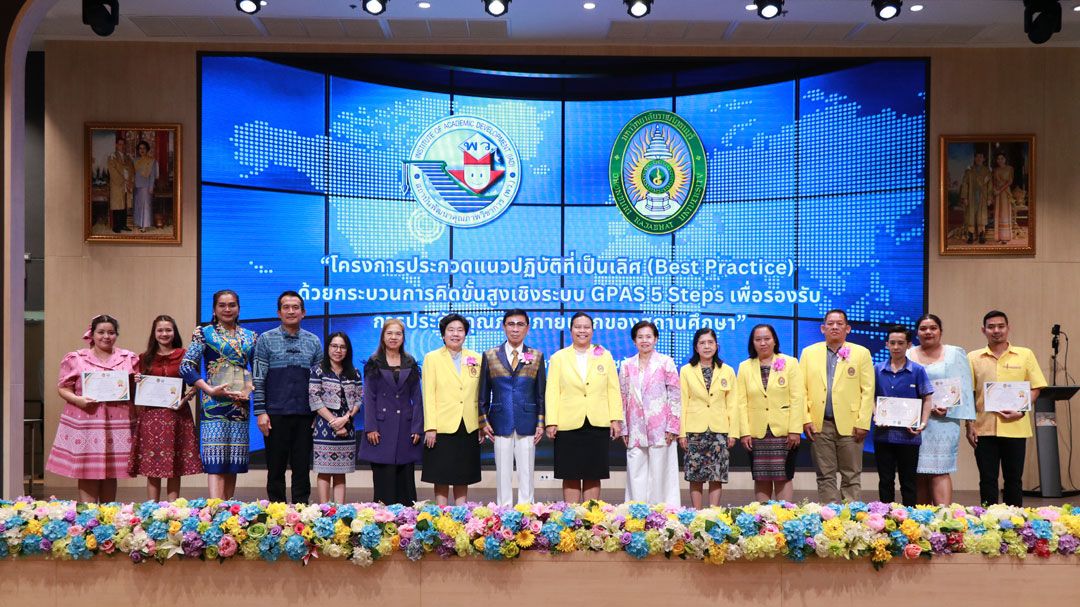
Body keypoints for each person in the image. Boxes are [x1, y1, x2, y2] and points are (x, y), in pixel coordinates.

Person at [46, 314, 139, 503]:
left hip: (117, 422)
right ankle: (88, 516)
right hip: (86, 420)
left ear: (116, 335)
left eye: (111, 332)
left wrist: (138, 381)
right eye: (101, 332)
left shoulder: (128, 358)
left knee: (111, 469)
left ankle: (108, 514)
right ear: (92, 334)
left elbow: (136, 390)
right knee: (87, 469)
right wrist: (77, 399)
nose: (106, 336)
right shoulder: (76, 358)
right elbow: (63, 387)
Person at [180, 289, 257, 499]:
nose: (227, 309)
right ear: (214, 309)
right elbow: (186, 366)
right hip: (213, 404)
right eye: (222, 305)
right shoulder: (204, 333)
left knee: (233, 462)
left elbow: (257, 370)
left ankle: (228, 510)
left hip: (240, 405)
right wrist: (208, 389)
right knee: (216, 461)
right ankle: (215, 509)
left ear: (239, 308)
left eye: (232, 305)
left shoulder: (250, 336)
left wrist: (248, 390)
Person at [968, 310, 1048, 506]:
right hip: (983, 428)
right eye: (991, 327)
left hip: (1016, 427)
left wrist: (1021, 410)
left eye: (1000, 326)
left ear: (1008, 328)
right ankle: (988, 519)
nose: (996, 330)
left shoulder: (1025, 354)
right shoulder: (973, 357)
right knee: (987, 479)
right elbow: (968, 393)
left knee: (1013, 479)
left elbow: (1036, 386)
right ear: (983, 330)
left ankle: (1014, 519)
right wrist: (969, 425)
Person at [545, 312, 623, 503]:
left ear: (592, 330)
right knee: (570, 472)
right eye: (578, 327)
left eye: (586, 327)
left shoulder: (604, 355)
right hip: (567, 422)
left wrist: (615, 419)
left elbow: (613, 388)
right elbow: (552, 391)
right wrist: (551, 421)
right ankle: (571, 515)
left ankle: (591, 516)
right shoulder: (558, 357)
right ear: (571, 330)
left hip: (597, 421)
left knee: (593, 472)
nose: (582, 331)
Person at [253, 291, 323, 504]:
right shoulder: (266, 339)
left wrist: (318, 413)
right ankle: (277, 511)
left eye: (295, 307)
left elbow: (319, 381)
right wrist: (260, 411)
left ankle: (302, 512)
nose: (291, 311)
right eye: (286, 307)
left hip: (305, 415)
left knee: (302, 468)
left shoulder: (313, 341)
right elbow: (258, 377)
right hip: (275, 414)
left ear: (303, 312)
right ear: (279, 312)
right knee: (275, 468)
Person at [800, 309, 875, 503]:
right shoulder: (809, 353)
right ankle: (830, 515)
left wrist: (863, 422)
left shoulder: (861, 353)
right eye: (830, 323)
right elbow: (801, 389)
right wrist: (805, 419)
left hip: (851, 424)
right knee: (825, 475)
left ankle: (851, 516)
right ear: (822, 328)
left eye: (839, 324)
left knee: (851, 474)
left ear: (847, 328)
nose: (835, 327)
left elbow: (868, 391)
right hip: (819, 423)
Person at [129, 315, 202, 500]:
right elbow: (135, 389)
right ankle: (152, 508)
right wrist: (136, 380)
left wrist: (185, 399)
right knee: (152, 466)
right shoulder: (144, 358)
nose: (164, 334)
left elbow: (196, 383)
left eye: (168, 330)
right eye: (160, 330)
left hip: (177, 415)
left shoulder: (185, 355)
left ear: (174, 332)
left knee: (174, 465)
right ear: (154, 333)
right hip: (150, 417)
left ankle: (173, 508)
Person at [478, 309, 546, 506]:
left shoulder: (536, 356)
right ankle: (503, 511)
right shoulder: (490, 355)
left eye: (520, 324)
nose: (515, 329)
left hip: (528, 421)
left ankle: (527, 512)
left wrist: (541, 423)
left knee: (527, 472)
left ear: (527, 328)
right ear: (504, 327)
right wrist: (483, 421)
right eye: (511, 324)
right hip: (500, 421)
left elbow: (541, 393)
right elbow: (483, 392)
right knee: (503, 472)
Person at [907, 313, 976, 505]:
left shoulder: (955, 353)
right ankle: (922, 517)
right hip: (916, 422)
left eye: (933, 328)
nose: (928, 332)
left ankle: (944, 517)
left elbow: (965, 389)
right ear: (917, 332)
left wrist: (968, 423)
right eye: (923, 328)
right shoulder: (908, 354)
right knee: (918, 472)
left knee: (940, 470)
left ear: (940, 331)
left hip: (944, 422)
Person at [735, 324, 805, 503]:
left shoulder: (790, 363)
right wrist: (744, 432)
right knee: (761, 477)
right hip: (757, 431)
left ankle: (783, 515)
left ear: (774, 341)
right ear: (752, 343)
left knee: (784, 475)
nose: (763, 343)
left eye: (767, 339)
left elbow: (798, 398)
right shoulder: (744, 367)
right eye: (758, 339)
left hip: (784, 431)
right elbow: (741, 403)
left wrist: (795, 429)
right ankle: (763, 516)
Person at [360, 319, 423, 505]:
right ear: (383, 337)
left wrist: (417, 427)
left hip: (406, 427)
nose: (393, 337)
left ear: (403, 337)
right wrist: (371, 427)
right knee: (384, 481)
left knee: (406, 482)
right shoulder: (374, 362)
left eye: (398, 333)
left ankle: (406, 520)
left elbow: (417, 397)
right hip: (381, 428)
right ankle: (383, 519)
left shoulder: (410, 362)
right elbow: (369, 397)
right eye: (389, 333)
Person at [422, 313, 483, 505]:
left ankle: (461, 512)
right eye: (451, 330)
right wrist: (430, 427)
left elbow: (480, 394)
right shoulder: (432, 358)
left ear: (465, 334)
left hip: (468, 424)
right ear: (443, 334)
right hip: (442, 425)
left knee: (463, 474)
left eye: (460, 330)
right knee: (441, 474)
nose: (455, 334)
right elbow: (428, 395)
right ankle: (442, 513)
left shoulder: (476, 358)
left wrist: (481, 424)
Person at [619, 320, 681, 506]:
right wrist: (624, 428)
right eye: (640, 337)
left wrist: (673, 426)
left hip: (661, 428)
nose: (644, 340)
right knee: (636, 473)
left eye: (648, 337)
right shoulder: (626, 365)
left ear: (655, 339)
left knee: (660, 475)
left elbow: (675, 395)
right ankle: (636, 513)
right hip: (635, 427)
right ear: (634, 340)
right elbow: (622, 397)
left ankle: (661, 514)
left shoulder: (666, 362)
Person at [873, 326, 933, 507]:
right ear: (886, 344)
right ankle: (885, 517)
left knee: (908, 482)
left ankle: (909, 519)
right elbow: (870, 398)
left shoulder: (918, 370)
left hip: (909, 436)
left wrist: (922, 423)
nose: (896, 347)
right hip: (883, 435)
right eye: (892, 343)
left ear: (908, 345)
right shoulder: (877, 369)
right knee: (885, 481)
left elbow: (927, 399)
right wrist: (876, 416)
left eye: (900, 343)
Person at [679, 328, 737, 508]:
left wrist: (733, 432)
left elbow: (732, 404)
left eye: (710, 342)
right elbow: (682, 402)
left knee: (716, 475)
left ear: (716, 346)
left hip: (719, 430)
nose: (706, 346)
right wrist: (681, 433)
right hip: (694, 430)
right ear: (696, 347)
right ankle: (697, 514)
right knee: (695, 476)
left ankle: (713, 513)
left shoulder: (727, 370)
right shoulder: (686, 371)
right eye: (702, 343)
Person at [309, 332, 362, 504]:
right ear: (328, 348)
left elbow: (359, 399)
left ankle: (340, 510)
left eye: (342, 347)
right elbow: (314, 398)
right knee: (324, 470)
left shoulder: (354, 373)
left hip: (347, 427)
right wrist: (334, 422)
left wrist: (345, 419)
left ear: (347, 350)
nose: (338, 350)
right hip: (324, 427)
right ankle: (325, 509)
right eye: (334, 346)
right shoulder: (317, 370)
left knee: (340, 472)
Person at [959, 151, 991, 244]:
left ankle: (981, 235)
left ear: (984, 159)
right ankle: (970, 236)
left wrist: (989, 198)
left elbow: (990, 186)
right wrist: (965, 197)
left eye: (981, 157)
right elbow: (965, 184)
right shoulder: (969, 171)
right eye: (977, 157)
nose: (979, 159)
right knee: (971, 216)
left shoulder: (987, 171)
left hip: (982, 197)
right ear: (974, 158)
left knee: (981, 216)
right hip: (971, 196)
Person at [107, 135, 133, 233]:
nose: (121, 146)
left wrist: (129, 180)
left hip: (127, 184)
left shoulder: (128, 157)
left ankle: (123, 225)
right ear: (116, 145)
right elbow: (112, 171)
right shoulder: (112, 157)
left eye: (123, 144)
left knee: (124, 205)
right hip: (117, 184)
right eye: (120, 144)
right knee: (117, 205)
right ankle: (116, 226)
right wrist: (123, 180)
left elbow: (132, 169)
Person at [132, 140, 158, 232]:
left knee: (146, 206)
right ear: (138, 150)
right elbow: (133, 174)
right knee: (138, 205)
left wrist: (151, 187)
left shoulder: (152, 161)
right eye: (140, 148)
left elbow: (153, 175)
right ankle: (140, 223)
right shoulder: (135, 160)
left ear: (147, 150)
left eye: (144, 148)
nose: (142, 150)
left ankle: (145, 225)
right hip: (137, 186)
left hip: (146, 187)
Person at [991, 153, 1015, 244]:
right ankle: (998, 236)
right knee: (998, 212)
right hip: (997, 193)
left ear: (1005, 159)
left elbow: (1010, 182)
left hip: (1005, 192)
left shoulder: (1009, 168)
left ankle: (1005, 236)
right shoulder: (995, 170)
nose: (1000, 160)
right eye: (998, 159)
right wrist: (994, 189)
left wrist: (999, 190)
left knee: (1005, 212)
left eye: (1002, 158)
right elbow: (993, 181)